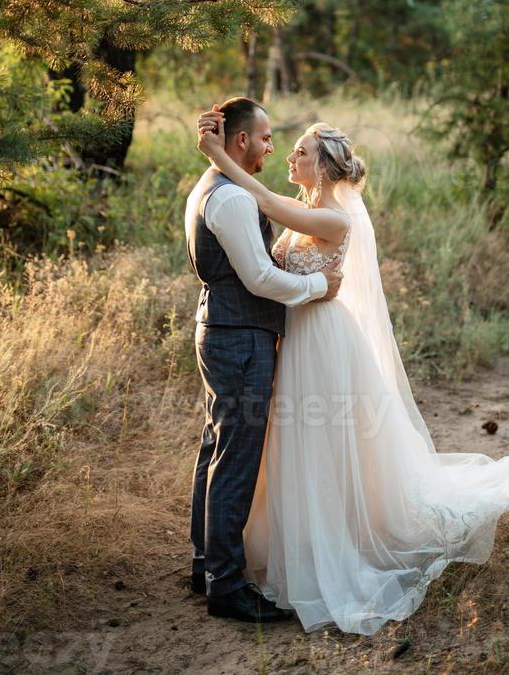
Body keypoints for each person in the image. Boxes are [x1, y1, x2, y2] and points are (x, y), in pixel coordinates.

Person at [196, 110, 509, 635]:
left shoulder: (334, 220)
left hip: (322, 339)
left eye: (300, 150)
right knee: (289, 443)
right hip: (293, 338)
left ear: (322, 168)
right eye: (288, 147)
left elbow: (266, 204)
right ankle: (277, 546)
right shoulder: (304, 208)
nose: (290, 156)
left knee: (321, 442)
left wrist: (217, 157)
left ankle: (334, 545)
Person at [184, 97, 344, 624]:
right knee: (236, 456)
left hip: (225, 329)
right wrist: (319, 284)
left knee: (217, 446)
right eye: (268, 138)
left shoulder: (213, 186)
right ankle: (226, 587)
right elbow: (259, 279)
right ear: (242, 140)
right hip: (240, 337)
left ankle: (206, 563)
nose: (273, 148)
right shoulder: (229, 198)